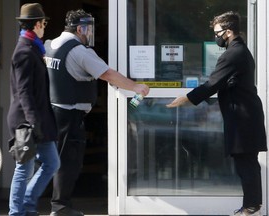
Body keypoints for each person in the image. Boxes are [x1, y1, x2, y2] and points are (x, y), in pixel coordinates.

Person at [44, 9, 150, 216]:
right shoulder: (80, 51)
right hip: (70, 116)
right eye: (89, 28)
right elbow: (108, 74)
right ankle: (60, 207)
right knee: (69, 163)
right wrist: (136, 87)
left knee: (55, 160)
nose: (90, 33)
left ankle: (51, 204)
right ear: (81, 28)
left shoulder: (50, 45)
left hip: (53, 112)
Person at [166, 11, 267, 216]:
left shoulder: (233, 53)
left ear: (228, 32)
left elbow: (213, 83)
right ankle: (252, 205)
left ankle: (251, 207)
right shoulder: (238, 50)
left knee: (245, 162)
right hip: (244, 115)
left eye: (217, 32)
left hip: (243, 117)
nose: (216, 37)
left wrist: (185, 99)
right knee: (247, 161)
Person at [7, 3, 60, 216]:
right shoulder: (24, 52)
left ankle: (27, 205)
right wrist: (33, 123)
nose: (45, 27)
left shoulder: (33, 48)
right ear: (37, 24)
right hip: (26, 121)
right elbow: (24, 92)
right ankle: (16, 212)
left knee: (52, 163)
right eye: (44, 23)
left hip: (38, 120)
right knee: (24, 168)